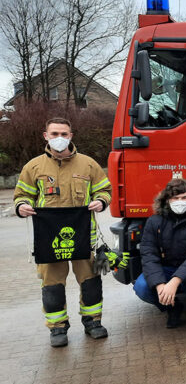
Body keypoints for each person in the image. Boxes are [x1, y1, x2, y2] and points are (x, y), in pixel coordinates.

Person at [13, 117, 112, 347]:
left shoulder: (88, 165)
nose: (60, 138)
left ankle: (93, 322)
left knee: (90, 282)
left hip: (84, 238)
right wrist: (21, 207)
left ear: (71, 136)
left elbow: (104, 190)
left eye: (64, 134)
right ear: (45, 136)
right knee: (52, 285)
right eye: (55, 134)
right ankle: (57, 328)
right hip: (49, 240)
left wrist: (101, 201)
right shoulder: (33, 167)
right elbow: (22, 195)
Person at [133, 178, 186, 329]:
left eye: (184, 197)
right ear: (167, 200)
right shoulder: (154, 222)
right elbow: (149, 255)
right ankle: (173, 308)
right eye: (175, 198)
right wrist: (159, 285)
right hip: (167, 268)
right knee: (141, 287)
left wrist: (175, 281)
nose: (180, 202)